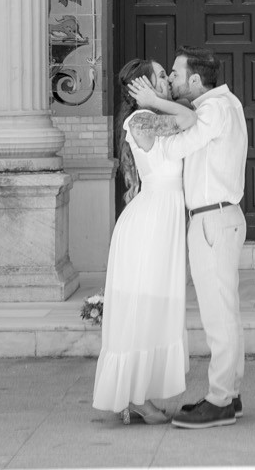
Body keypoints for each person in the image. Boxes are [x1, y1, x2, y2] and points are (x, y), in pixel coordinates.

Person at [137, 50, 248, 430]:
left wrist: (153, 135)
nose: (171, 79)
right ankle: (228, 395)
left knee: (219, 315)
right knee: (225, 311)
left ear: (196, 81)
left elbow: (180, 146)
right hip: (216, 217)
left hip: (212, 220)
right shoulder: (222, 104)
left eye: (175, 73)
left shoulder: (215, 109)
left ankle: (219, 400)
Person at [90, 58, 194, 424]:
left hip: (160, 220)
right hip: (148, 226)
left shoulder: (152, 117)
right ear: (142, 87)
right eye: (161, 76)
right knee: (143, 310)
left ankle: (141, 393)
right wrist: (153, 99)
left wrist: (157, 97)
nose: (167, 81)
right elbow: (188, 120)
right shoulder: (140, 119)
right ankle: (133, 397)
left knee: (154, 311)